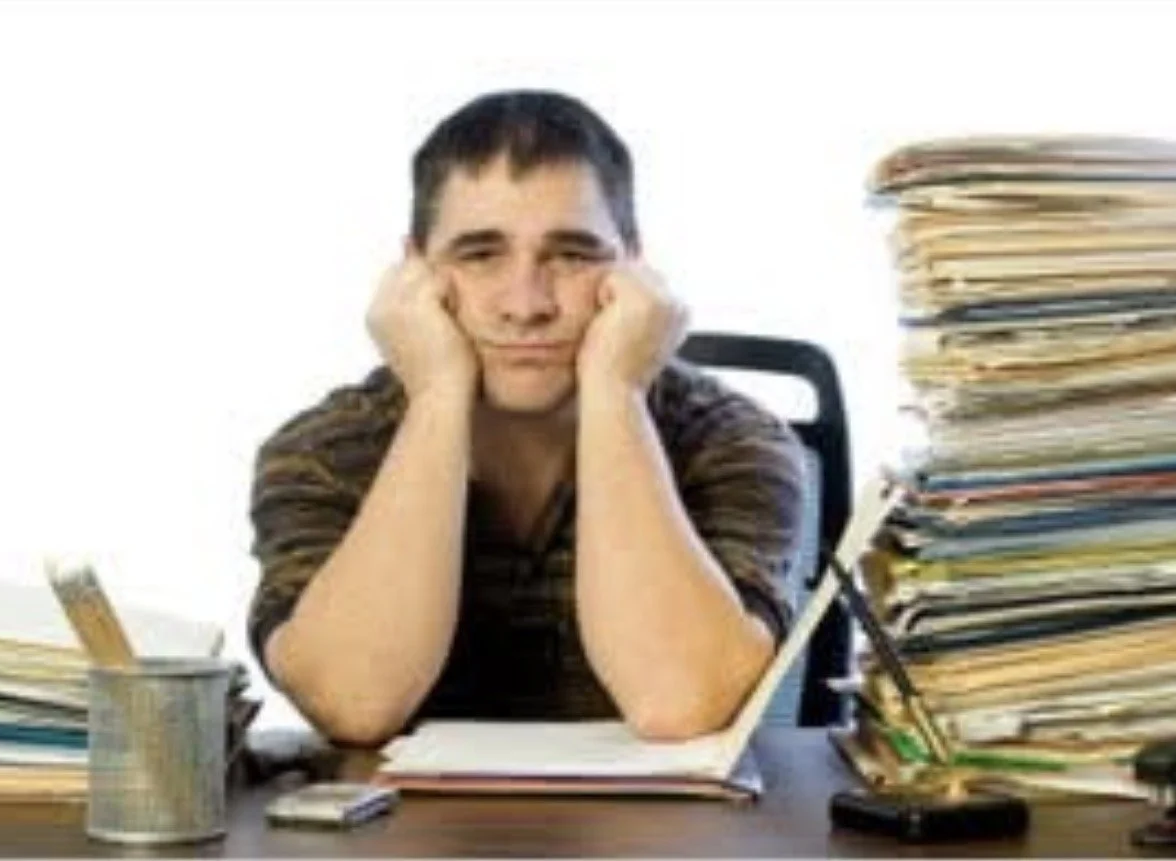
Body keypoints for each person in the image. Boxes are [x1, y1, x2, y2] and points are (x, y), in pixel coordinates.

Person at [247, 89, 812, 745]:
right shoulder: (321, 449)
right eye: (480, 254)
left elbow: (676, 702)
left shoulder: (734, 440)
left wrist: (615, 391)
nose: (526, 304)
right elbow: (354, 702)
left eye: (572, 254)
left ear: (634, 267)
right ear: (414, 272)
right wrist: (435, 397)